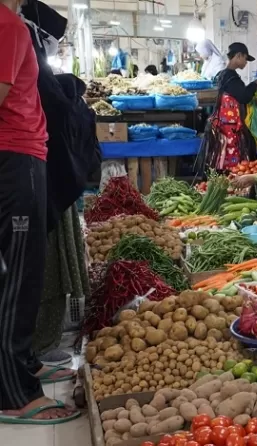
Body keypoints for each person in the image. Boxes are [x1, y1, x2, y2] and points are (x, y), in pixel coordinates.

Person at [0, 0, 80, 424]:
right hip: (15, 158)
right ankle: (14, 393)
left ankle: (24, 363)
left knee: (23, 268)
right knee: (20, 273)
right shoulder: (7, 25)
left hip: (19, 156)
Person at [201, 43, 257, 170]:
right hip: (229, 126)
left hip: (226, 124)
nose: (246, 62)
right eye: (245, 59)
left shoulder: (223, 75)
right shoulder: (230, 76)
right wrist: (254, 85)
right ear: (238, 56)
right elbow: (244, 96)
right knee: (232, 155)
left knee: (225, 154)